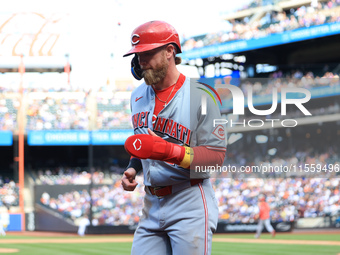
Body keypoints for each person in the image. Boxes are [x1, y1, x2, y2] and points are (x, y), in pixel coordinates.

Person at [121, 20, 227, 255]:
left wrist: (166, 150)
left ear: (170, 51)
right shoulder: (137, 96)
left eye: (147, 53)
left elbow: (215, 158)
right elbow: (142, 142)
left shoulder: (202, 95)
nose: (141, 61)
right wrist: (133, 167)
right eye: (138, 55)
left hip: (188, 199)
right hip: (151, 202)